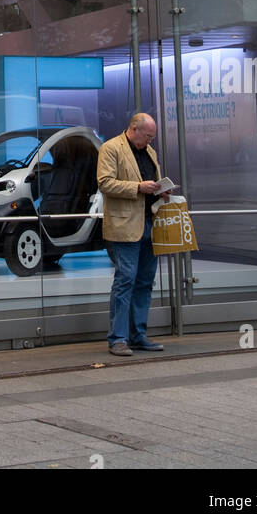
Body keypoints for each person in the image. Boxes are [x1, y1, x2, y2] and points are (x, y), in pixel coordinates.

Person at [96, 112, 165, 357]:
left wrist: (160, 191)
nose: (149, 141)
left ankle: (138, 336)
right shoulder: (111, 148)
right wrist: (139, 187)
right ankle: (118, 339)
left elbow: (151, 184)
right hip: (124, 227)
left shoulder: (150, 152)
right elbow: (104, 183)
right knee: (125, 280)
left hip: (149, 223)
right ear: (133, 128)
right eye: (147, 136)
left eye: (152, 137)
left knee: (145, 282)